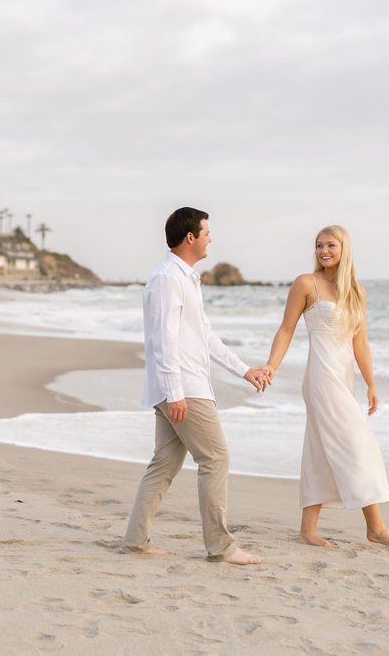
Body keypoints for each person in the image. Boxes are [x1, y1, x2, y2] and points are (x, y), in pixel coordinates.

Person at [122, 207, 270, 565]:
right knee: (215, 458)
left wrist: (243, 370)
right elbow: (164, 340)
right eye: (206, 233)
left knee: (164, 464)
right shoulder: (167, 279)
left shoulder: (185, 277)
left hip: (179, 385)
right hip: (182, 387)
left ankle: (135, 542)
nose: (210, 239)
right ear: (190, 237)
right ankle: (221, 546)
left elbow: (205, 335)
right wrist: (175, 393)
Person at [264, 225, 389, 549]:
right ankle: (375, 527)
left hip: (343, 379)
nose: (324, 251)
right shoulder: (306, 283)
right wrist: (271, 365)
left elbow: (361, 343)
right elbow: (286, 329)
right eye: (319, 245)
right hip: (321, 378)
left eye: (331, 245)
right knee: (359, 444)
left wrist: (371, 383)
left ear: (344, 249)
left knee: (319, 450)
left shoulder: (357, 291)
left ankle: (308, 531)